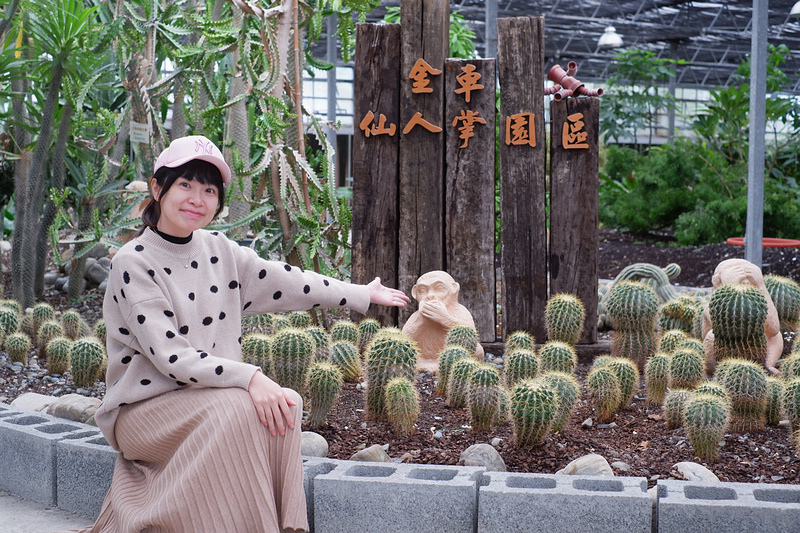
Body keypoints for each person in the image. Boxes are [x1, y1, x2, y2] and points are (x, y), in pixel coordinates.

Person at [76, 135, 409, 532]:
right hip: (144, 413)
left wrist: (358, 293)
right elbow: (172, 356)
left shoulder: (220, 249)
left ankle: (284, 526)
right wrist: (251, 377)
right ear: (157, 188)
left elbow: (288, 281)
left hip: (207, 398)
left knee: (286, 404)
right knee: (239, 406)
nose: (196, 198)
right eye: (185, 185)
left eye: (209, 190)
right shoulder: (134, 262)